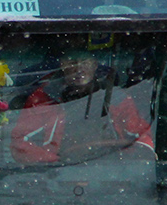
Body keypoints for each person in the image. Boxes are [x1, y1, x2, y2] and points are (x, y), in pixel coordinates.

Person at [10, 54, 150, 164]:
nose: (79, 69)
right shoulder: (43, 99)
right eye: (72, 62)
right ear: (62, 65)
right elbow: (19, 142)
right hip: (57, 172)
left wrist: (128, 158)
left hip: (110, 170)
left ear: (94, 65)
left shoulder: (117, 98)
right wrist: (53, 161)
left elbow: (142, 137)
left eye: (85, 62)